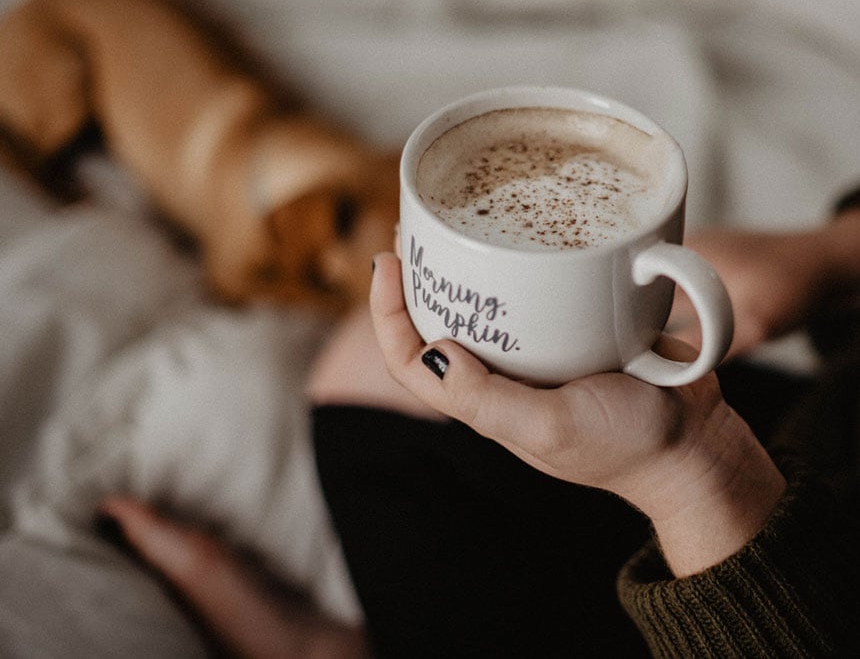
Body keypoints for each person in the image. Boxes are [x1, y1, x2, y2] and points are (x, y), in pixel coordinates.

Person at [100, 189, 860, 657]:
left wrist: (694, 465)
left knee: (380, 383)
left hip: (779, 605)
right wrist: (830, 257)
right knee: (379, 370)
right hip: (816, 460)